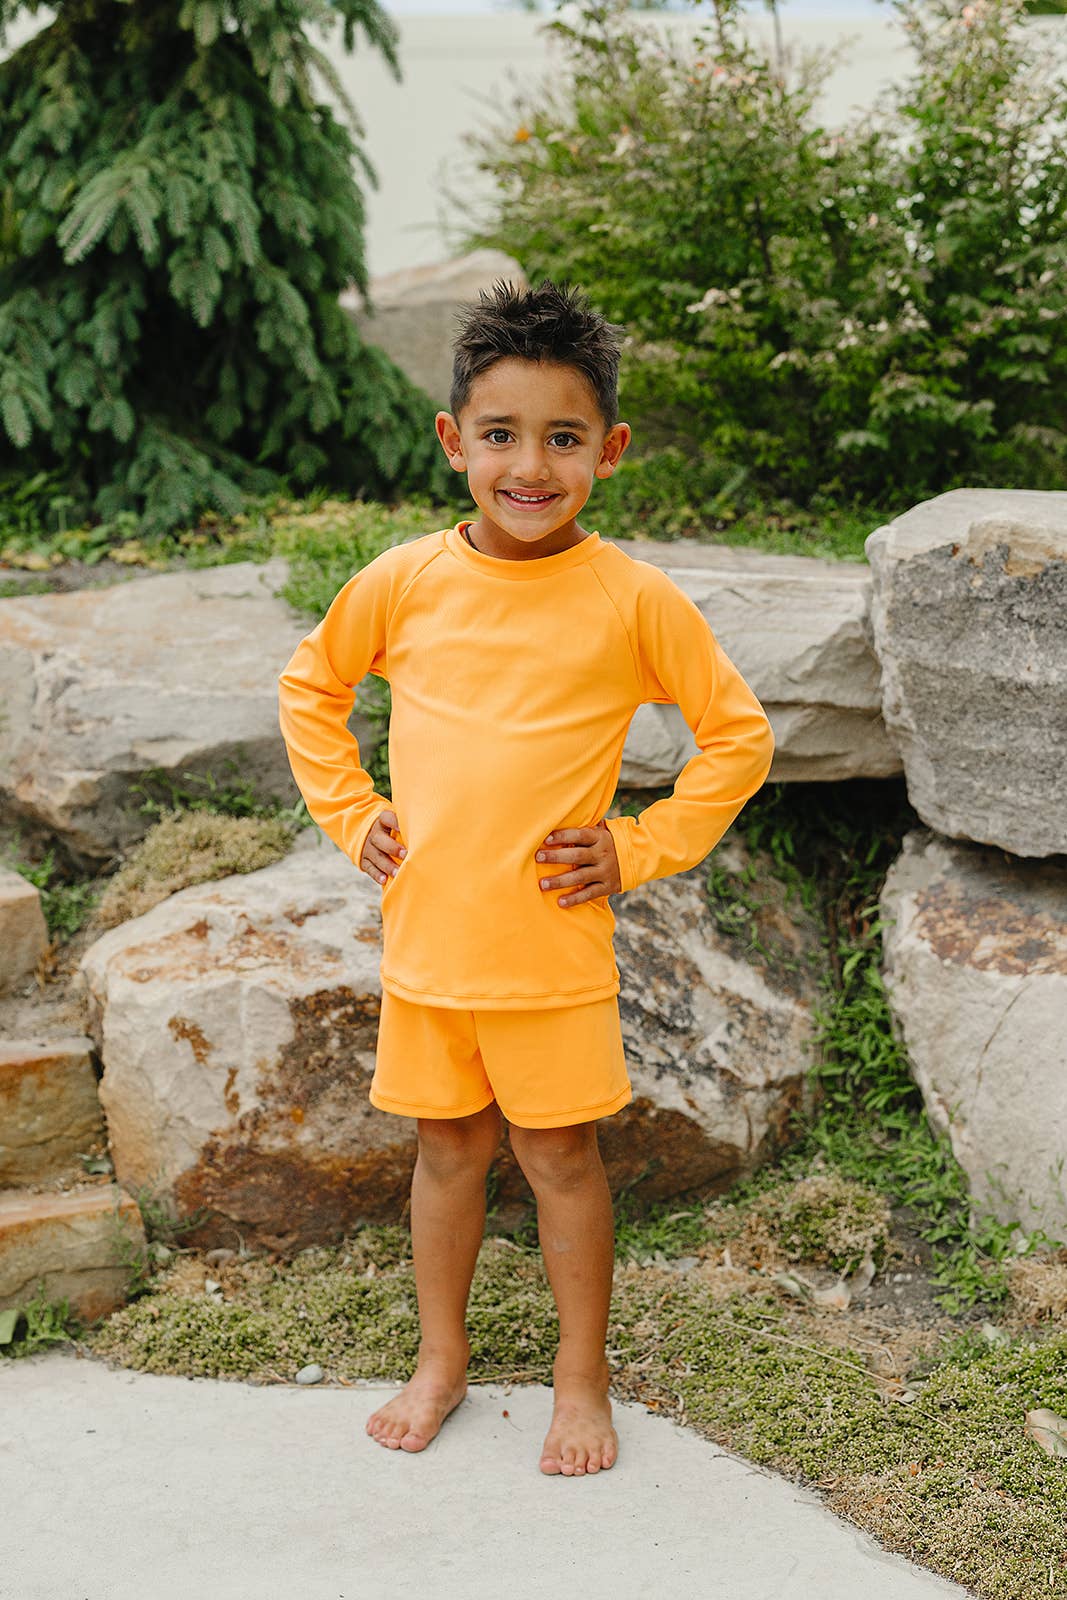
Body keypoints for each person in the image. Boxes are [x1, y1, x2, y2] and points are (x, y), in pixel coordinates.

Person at [277, 278, 774, 1477]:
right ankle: (439, 1358)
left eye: (561, 438)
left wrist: (638, 846)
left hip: (551, 956)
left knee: (556, 1158)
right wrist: (353, 817)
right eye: (500, 435)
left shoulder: (630, 596)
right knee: (446, 1149)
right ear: (455, 441)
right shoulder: (403, 581)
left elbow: (735, 735)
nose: (529, 466)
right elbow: (311, 688)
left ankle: (578, 1376)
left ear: (605, 449)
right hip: (431, 950)